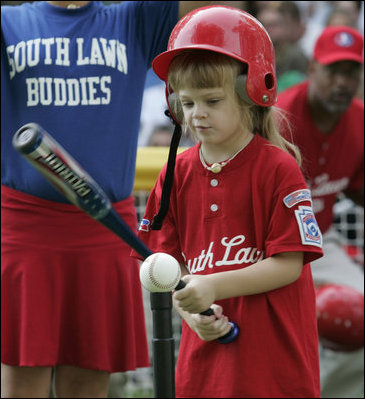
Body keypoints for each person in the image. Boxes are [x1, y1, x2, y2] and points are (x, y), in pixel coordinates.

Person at [1, 1, 210, 397]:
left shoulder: (132, 18)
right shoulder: (9, 21)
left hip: (104, 227)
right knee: (21, 383)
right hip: (26, 225)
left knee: (88, 380)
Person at [131, 6, 324, 398]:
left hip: (273, 369)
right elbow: (171, 272)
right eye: (186, 103)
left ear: (250, 92)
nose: (197, 115)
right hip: (204, 370)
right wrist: (192, 312)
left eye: (212, 101)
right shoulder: (174, 175)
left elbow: (288, 264)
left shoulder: (276, 168)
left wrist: (212, 286)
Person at [276, 25, 364, 398]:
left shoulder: (360, 121)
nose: (342, 82)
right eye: (333, 71)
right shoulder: (278, 119)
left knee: (359, 313)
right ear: (313, 69)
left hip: (321, 242)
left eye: (351, 73)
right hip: (270, 244)